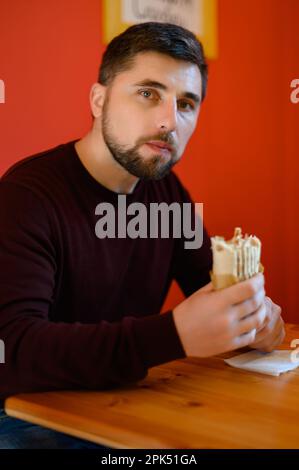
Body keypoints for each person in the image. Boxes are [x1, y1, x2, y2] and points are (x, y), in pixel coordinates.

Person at [0, 22, 285, 448]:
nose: (169, 121)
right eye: (148, 93)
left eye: (186, 104)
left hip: (125, 401)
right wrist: (173, 335)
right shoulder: (26, 196)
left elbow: (213, 290)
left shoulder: (167, 195)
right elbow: (12, 351)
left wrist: (256, 320)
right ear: (99, 100)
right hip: (25, 415)